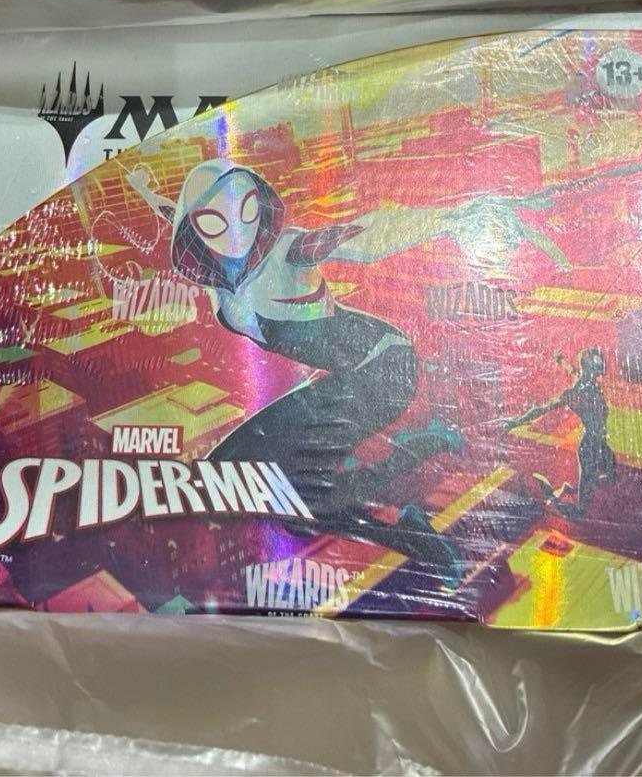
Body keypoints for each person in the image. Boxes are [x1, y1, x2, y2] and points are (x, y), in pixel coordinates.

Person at [126, 157, 561, 590]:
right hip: (350, 375)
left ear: (261, 202)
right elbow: (174, 212)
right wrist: (146, 192)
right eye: (214, 221)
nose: (237, 229)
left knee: (286, 493)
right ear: (194, 231)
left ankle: (416, 504)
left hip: (384, 366)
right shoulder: (217, 277)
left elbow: (361, 236)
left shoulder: (289, 252)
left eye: (246, 208)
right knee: (229, 475)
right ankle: (414, 479)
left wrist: (454, 218)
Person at [507, 348, 617, 518]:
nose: (598, 374)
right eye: (595, 369)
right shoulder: (575, 393)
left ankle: (573, 489)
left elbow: (573, 371)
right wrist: (517, 421)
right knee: (581, 511)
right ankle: (553, 496)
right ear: (589, 370)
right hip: (589, 447)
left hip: (601, 443)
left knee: (611, 478)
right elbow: (542, 409)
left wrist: (560, 360)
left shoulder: (587, 382)